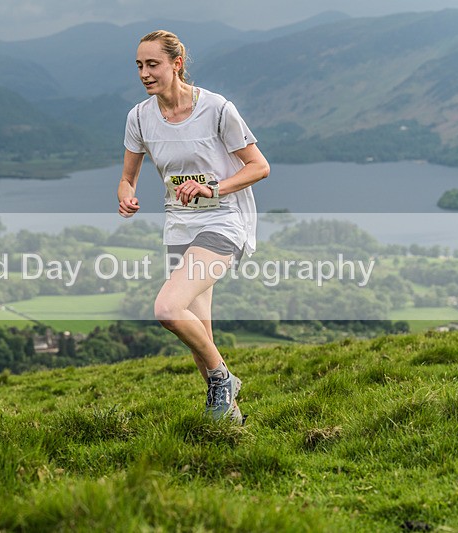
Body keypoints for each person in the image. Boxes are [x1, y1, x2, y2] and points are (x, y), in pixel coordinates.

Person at [117, 30, 270, 423]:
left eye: (153, 64)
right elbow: (128, 178)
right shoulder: (139, 117)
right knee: (201, 337)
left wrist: (212, 188)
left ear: (177, 64)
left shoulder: (216, 109)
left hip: (223, 220)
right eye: (139, 65)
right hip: (179, 227)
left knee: (168, 309)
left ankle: (224, 379)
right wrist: (126, 195)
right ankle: (229, 425)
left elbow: (259, 167)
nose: (144, 73)